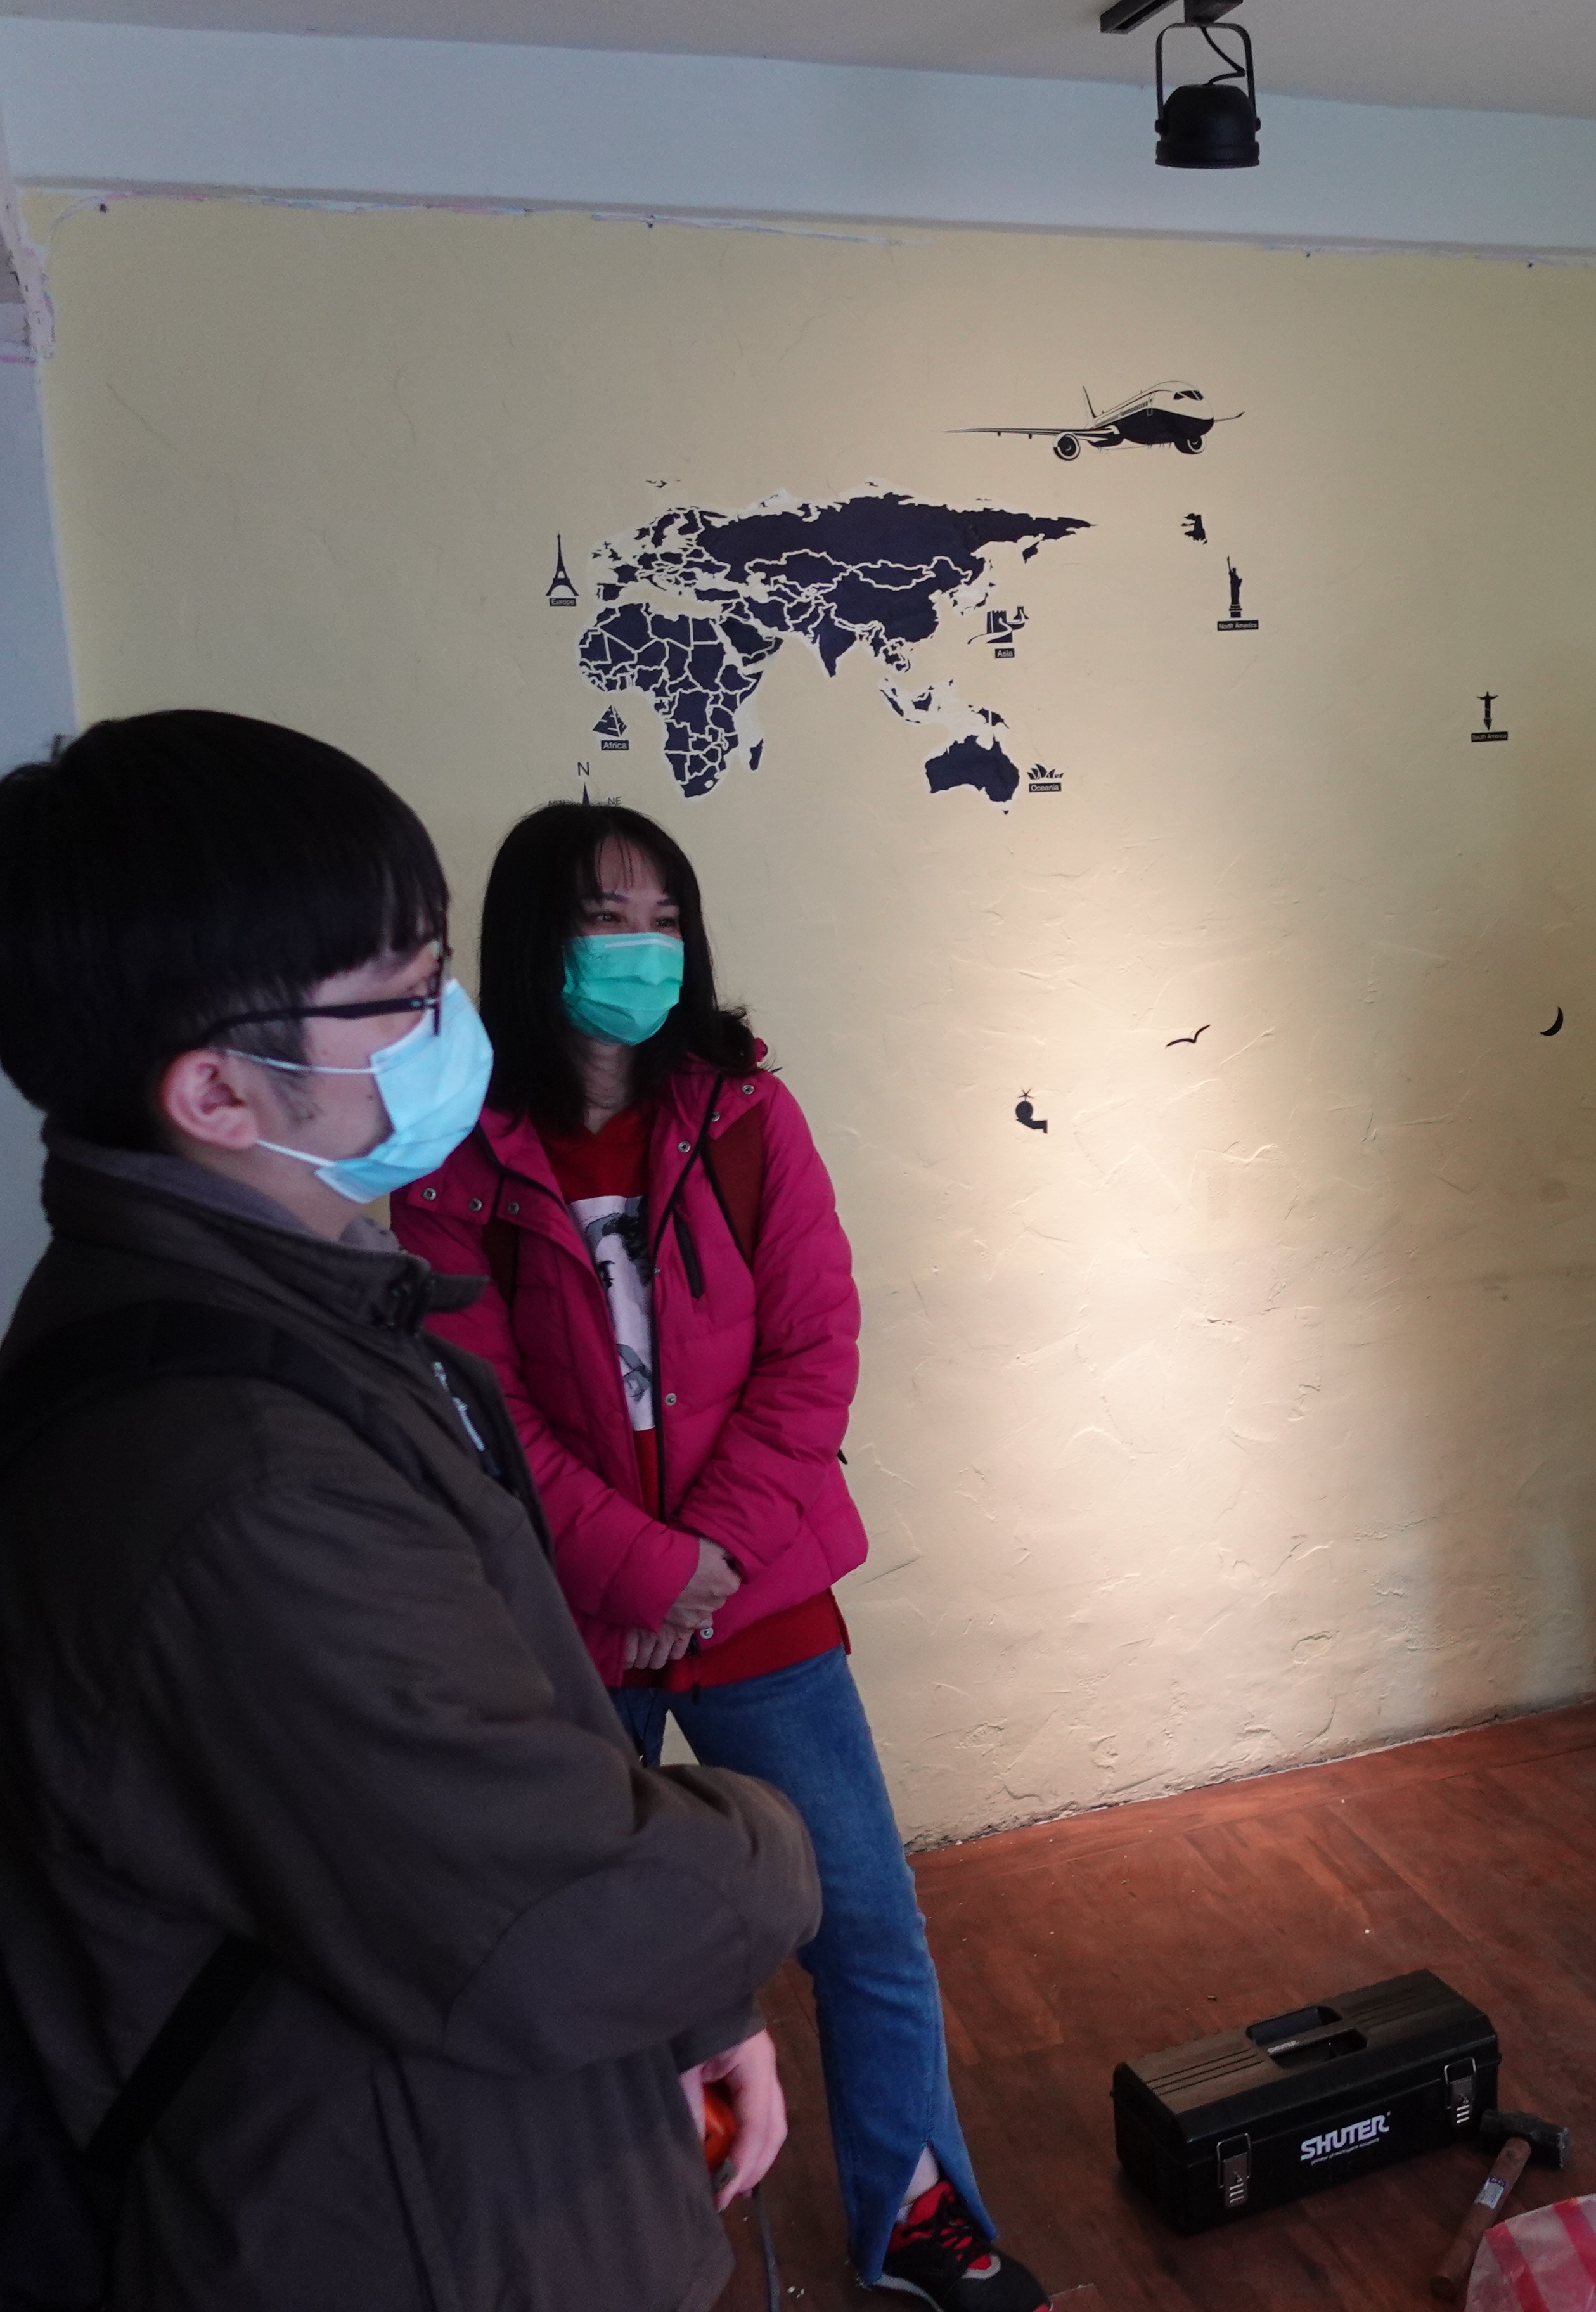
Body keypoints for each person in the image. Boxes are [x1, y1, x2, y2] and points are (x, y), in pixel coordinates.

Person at [0, 712, 821, 2311]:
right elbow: (555, 1910)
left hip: (503, 2156)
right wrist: (762, 1851)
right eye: (403, 992)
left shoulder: (311, 1310)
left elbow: (475, 1795)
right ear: (218, 1093)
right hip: (421, 2236)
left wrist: (688, 2005)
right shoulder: (236, 1488)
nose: (451, 1021)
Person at [390, 802, 1048, 2312]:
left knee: (868, 1927)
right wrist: (636, 1574)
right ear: (532, 940)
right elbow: (481, 1409)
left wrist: (705, 1563)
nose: (641, 950)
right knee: (596, 1943)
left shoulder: (749, 1117)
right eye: (602, 919)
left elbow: (815, 1357)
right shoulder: (457, 1155)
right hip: (578, 1618)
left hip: (758, 1599)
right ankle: (642, 2232)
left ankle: (919, 2222)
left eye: (663, 918)